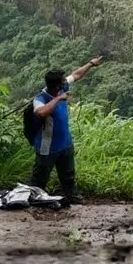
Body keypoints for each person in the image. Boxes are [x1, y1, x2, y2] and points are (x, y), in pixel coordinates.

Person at [30, 55, 103, 204]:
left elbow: (76, 75)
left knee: (69, 176)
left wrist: (91, 64)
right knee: (39, 178)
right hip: (47, 147)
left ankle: (73, 199)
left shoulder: (62, 87)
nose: (65, 81)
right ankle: (32, 200)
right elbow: (41, 112)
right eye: (62, 80)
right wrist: (58, 99)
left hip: (65, 144)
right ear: (56, 85)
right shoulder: (40, 98)